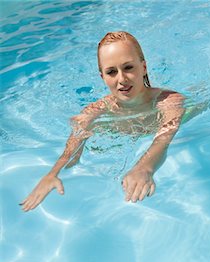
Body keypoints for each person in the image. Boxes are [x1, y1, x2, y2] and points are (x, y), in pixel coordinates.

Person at [20, 31, 185, 212]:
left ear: (143, 67)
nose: (121, 79)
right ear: (103, 77)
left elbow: (163, 138)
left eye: (128, 67)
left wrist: (144, 168)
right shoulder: (95, 111)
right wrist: (52, 173)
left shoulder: (169, 101)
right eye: (111, 72)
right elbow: (73, 147)